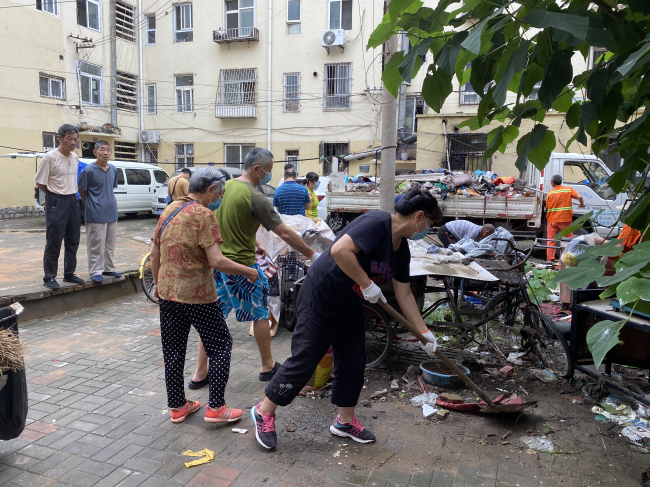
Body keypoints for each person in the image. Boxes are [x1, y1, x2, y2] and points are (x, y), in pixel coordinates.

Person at [250, 187, 443, 449]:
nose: (427, 231)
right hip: (321, 295)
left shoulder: (401, 250)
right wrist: (366, 284)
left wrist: (424, 333)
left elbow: (405, 293)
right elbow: (341, 250)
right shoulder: (377, 223)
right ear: (419, 216)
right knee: (306, 357)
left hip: (349, 303)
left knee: (354, 360)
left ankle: (344, 421)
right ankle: (264, 410)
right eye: (429, 224)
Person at [150, 167, 258, 424]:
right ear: (210, 189)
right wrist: (248, 271)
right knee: (221, 346)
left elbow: (155, 254)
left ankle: (177, 407)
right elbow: (217, 260)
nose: (219, 197)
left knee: (173, 351)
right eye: (219, 192)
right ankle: (217, 408)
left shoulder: (169, 209)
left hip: (168, 293)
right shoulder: (204, 214)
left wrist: (157, 284)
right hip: (198, 295)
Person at [210, 148, 320, 383]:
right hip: (243, 268)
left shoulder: (224, 188)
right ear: (257, 169)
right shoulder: (256, 197)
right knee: (260, 314)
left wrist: (255, 241)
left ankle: (200, 373)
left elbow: (230, 222)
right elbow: (285, 234)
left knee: (214, 316)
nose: (270, 174)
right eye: (269, 170)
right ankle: (267, 365)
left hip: (219, 264)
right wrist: (312, 253)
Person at [35, 124, 85, 289]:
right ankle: (49, 276)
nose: (72, 143)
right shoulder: (50, 157)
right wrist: (53, 196)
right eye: (69, 139)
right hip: (56, 201)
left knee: (73, 239)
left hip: (73, 200)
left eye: (75, 140)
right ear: (59, 138)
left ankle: (69, 273)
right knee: (54, 240)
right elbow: (41, 182)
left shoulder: (75, 157)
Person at [78, 141, 121, 283]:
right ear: (95, 152)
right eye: (102, 149)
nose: (106, 152)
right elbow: (82, 190)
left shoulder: (113, 169)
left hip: (111, 211)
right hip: (95, 213)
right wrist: (90, 204)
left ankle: (108, 267)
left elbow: (111, 188)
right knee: (96, 243)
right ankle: (96, 271)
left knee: (110, 243)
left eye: (108, 150)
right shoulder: (88, 171)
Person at [546, 175, 585, 261]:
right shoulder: (568, 189)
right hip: (565, 219)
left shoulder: (550, 193)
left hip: (553, 220)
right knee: (566, 240)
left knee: (551, 239)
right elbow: (580, 197)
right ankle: (564, 261)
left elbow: (548, 207)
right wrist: (581, 204)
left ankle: (550, 260)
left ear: (552, 183)